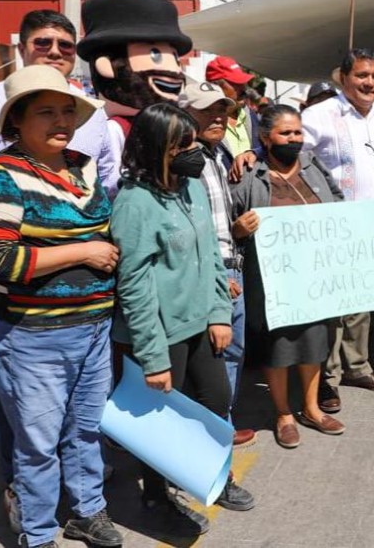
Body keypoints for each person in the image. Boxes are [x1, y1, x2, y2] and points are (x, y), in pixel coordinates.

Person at [0, 9, 119, 532]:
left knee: (85, 431)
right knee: (37, 444)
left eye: (67, 112)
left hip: (94, 327)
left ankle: (87, 511)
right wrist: (82, 252)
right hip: (34, 336)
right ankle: (38, 532)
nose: (61, 121)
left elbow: (105, 231)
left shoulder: (84, 167)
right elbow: (1, 262)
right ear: (17, 119)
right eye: (46, 113)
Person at [111, 103, 255, 537]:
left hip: (200, 322)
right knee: (162, 422)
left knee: (216, 399)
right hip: (159, 333)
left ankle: (213, 477)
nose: (194, 151)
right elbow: (134, 287)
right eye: (183, 144)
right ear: (157, 148)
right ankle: (157, 495)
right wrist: (153, 357)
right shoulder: (134, 203)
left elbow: (211, 253)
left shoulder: (189, 186)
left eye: (193, 141)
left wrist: (219, 313)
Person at [231, 105, 346, 448]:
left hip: (314, 274)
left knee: (314, 342)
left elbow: (339, 204)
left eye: (297, 132)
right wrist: (239, 229)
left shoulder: (313, 165)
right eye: (285, 133)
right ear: (266, 138)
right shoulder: (249, 173)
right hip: (272, 280)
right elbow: (228, 219)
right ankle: (283, 413)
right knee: (277, 347)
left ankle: (311, 409)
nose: (293, 139)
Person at [302, 48, 374, 409]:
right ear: (344, 78)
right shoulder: (319, 115)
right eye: (362, 75)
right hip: (332, 226)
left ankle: (357, 367)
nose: (370, 83)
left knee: (361, 303)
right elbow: (293, 156)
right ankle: (327, 380)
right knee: (332, 306)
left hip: (373, 225)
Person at [178, 81, 256, 448]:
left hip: (231, 264)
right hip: (211, 272)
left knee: (232, 354)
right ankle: (211, 438)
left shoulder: (218, 153)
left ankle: (222, 425)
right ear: (185, 114)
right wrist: (212, 278)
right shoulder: (184, 161)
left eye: (222, 110)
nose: (218, 117)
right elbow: (185, 229)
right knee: (213, 358)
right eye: (207, 110)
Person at [206, 56, 256, 157]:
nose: (243, 88)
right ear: (216, 87)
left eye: (243, 82)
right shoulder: (204, 124)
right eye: (236, 83)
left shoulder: (250, 116)